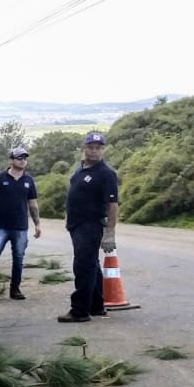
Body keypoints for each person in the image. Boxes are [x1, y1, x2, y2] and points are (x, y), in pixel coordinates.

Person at [58, 132, 119, 323]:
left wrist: (110, 233)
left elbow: (112, 205)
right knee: (92, 265)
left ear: (102, 150)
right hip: (76, 225)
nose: (94, 151)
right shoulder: (80, 169)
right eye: (91, 147)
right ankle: (96, 305)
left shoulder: (106, 174)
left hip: (91, 225)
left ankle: (79, 310)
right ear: (84, 148)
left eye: (98, 148)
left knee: (83, 266)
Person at [0, 146, 41, 300]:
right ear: (11, 160)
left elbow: (33, 204)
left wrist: (37, 224)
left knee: (19, 258)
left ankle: (15, 289)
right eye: (19, 158)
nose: (23, 161)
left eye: (24, 158)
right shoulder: (0, 178)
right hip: (1, 226)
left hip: (20, 227)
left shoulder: (28, 180)